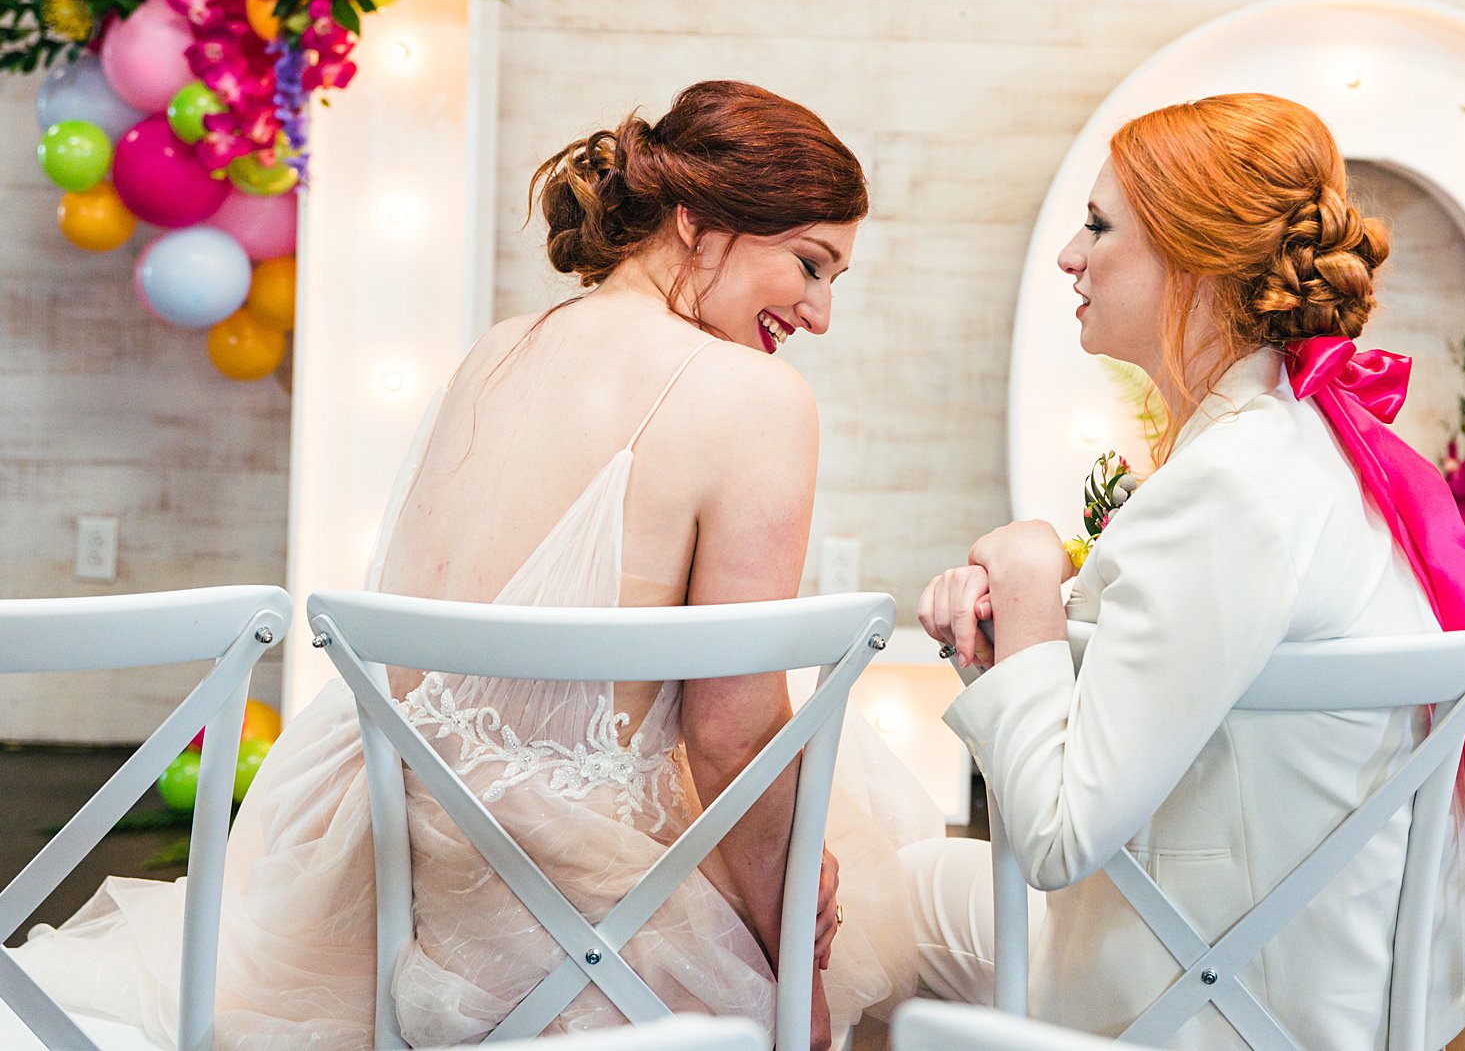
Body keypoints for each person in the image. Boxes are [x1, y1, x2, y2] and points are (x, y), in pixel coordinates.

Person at [13, 81, 942, 1050]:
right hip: (575, 922)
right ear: (697, 221)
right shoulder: (758, 399)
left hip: (385, 879)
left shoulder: (497, 350)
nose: (819, 314)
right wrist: (794, 960)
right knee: (860, 897)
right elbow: (730, 738)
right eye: (809, 264)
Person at [911, 93, 1465, 1049]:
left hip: (1227, 996)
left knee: (891, 889)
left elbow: (1058, 837)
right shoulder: (1298, 438)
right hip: (1346, 967)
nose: (1070, 255)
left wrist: (1027, 574)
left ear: (1193, 261)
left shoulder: (1229, 487)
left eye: (1098, 225)